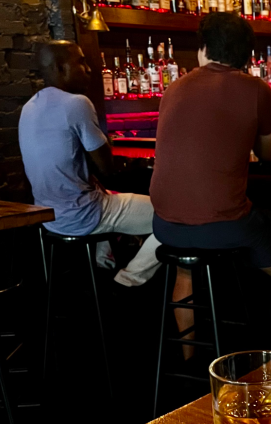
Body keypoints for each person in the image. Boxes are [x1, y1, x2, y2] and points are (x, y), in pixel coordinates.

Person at [150, 12, 271, 355]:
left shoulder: (174, 87)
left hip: (165, 226)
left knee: (186, 267)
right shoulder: (256, 89)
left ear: (203, 49)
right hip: (223, 225)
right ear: (247, 55)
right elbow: (268, 151)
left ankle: (189, 358)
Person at [18, 40, 164, 287]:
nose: (89, 69)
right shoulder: (76, 103)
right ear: (61, 67)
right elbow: (107, 167)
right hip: (83, 216)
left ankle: (103, 269)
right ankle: (129, 280)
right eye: (81, 62)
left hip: (50, 218)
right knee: (173, 216)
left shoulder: (28, 108)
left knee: (104, 193)